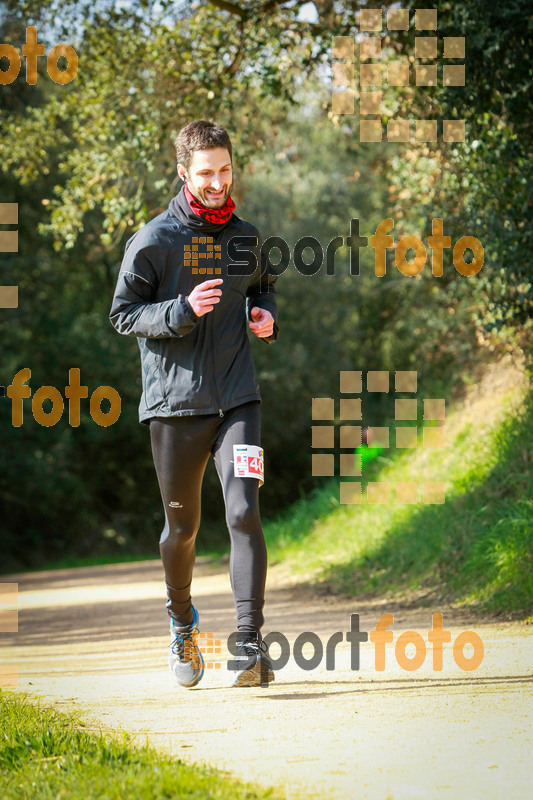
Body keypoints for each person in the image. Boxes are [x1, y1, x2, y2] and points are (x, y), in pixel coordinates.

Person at [109, 120, 279, 688]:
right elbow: (123, 315)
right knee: (180, 531)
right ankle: (182, 626)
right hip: (174, 407)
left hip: (238, 399)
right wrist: (180, 310)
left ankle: (250, 647)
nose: (217, 182)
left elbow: (263, 285)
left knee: (242, 512)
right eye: (205, 173)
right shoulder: (152, 240)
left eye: (225, 170)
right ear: (183, 173)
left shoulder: (245, 237)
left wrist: (265, 315)